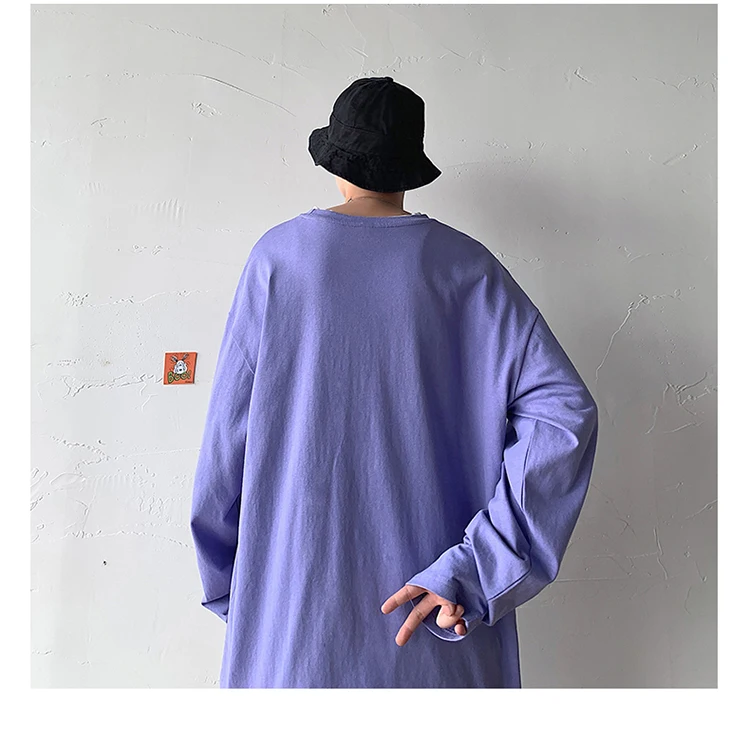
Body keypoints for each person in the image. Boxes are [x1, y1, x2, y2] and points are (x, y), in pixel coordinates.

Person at [189, 76, 599, 688]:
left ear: (335, 164)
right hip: (434, 627)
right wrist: (477, 570)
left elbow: (226, 450)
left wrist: (245, 594)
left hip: (297, 629)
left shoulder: (279, 261)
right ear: (409, 169)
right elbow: (565, 415)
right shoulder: (468, 270)